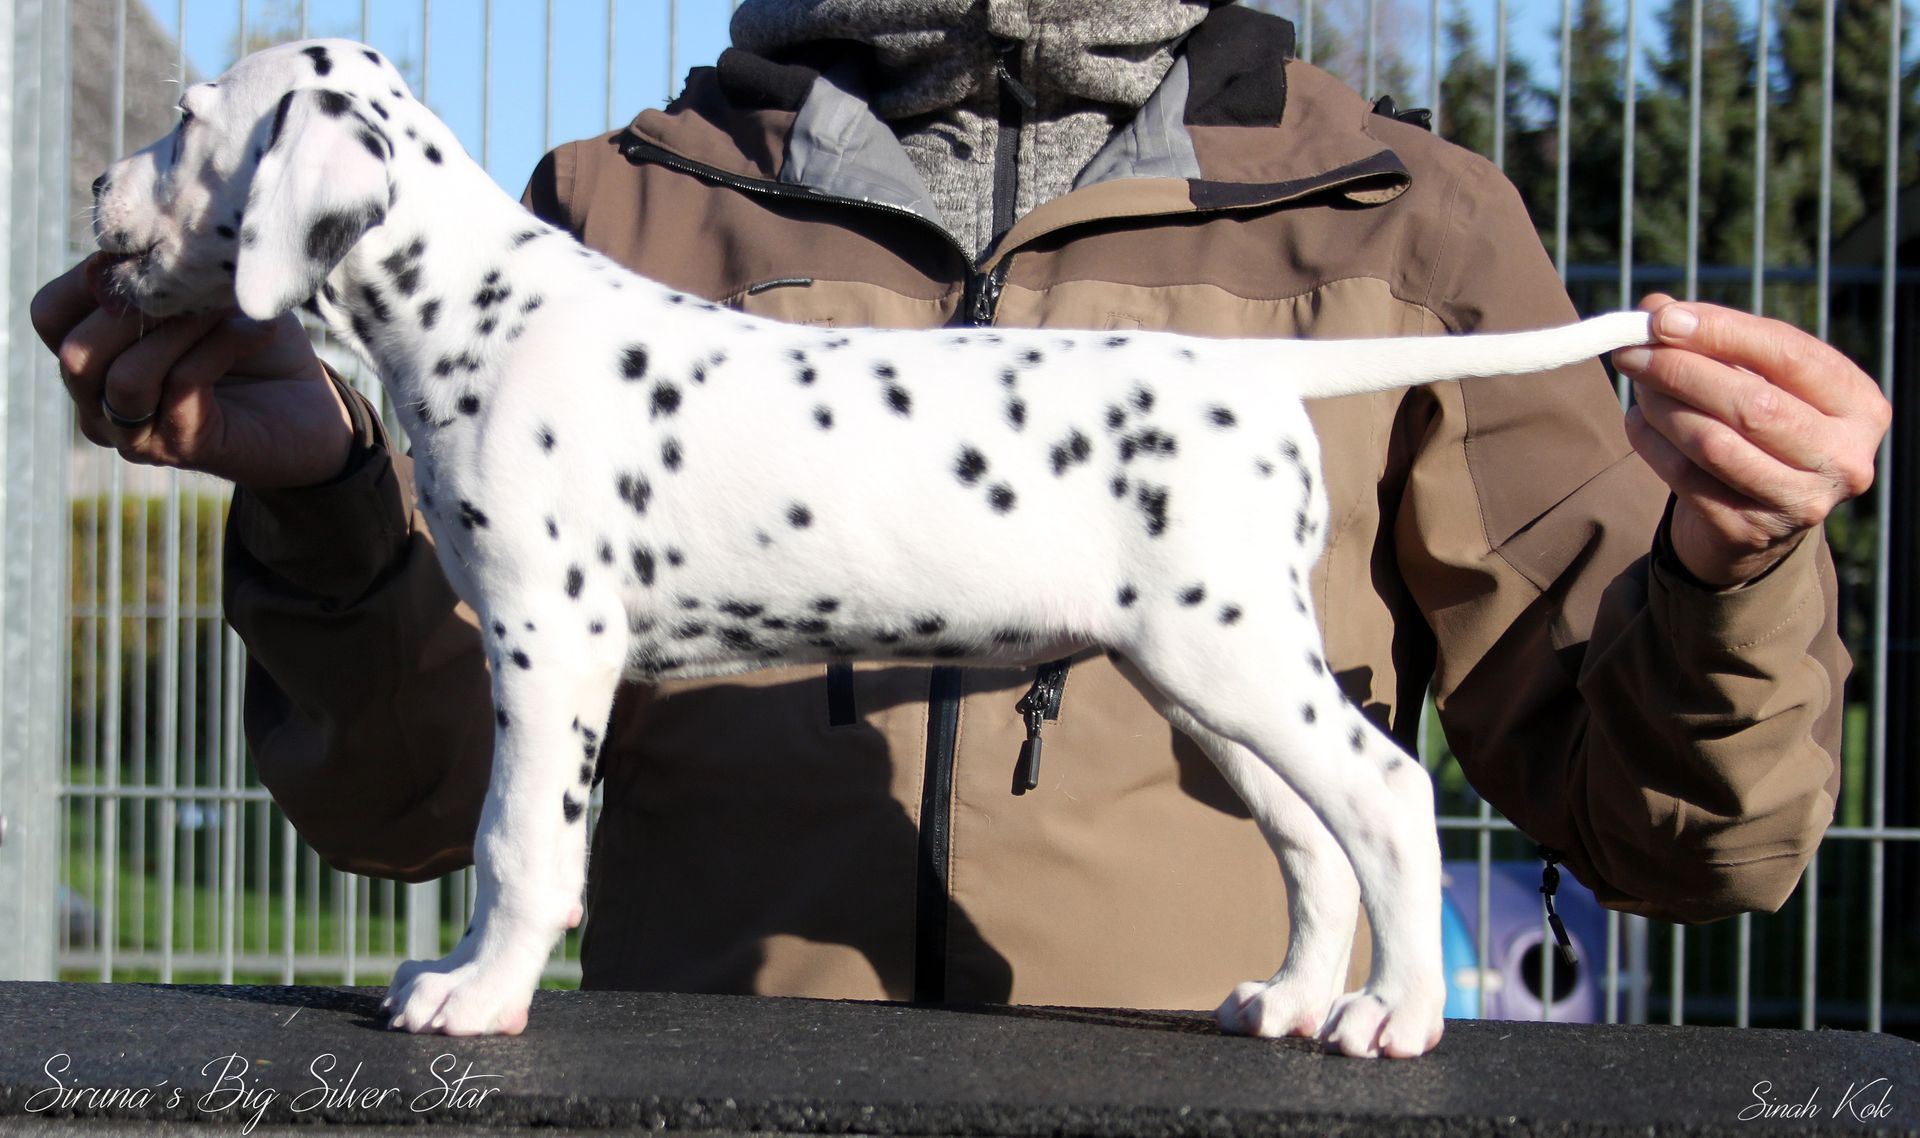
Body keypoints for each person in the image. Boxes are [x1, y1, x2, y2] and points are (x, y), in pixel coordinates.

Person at [33, 0, 1890, 1014]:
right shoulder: (604, 209)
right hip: (721, 1093)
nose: (152, 176)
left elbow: (1689, 839)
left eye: (192, 146)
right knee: (1249, 694)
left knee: (1256, 700)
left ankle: (1367, 946)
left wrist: (1735, 566)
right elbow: (426, 779)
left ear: (310, 179)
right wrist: (331, 494)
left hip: (1188, 1103)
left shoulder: (1416, 224)